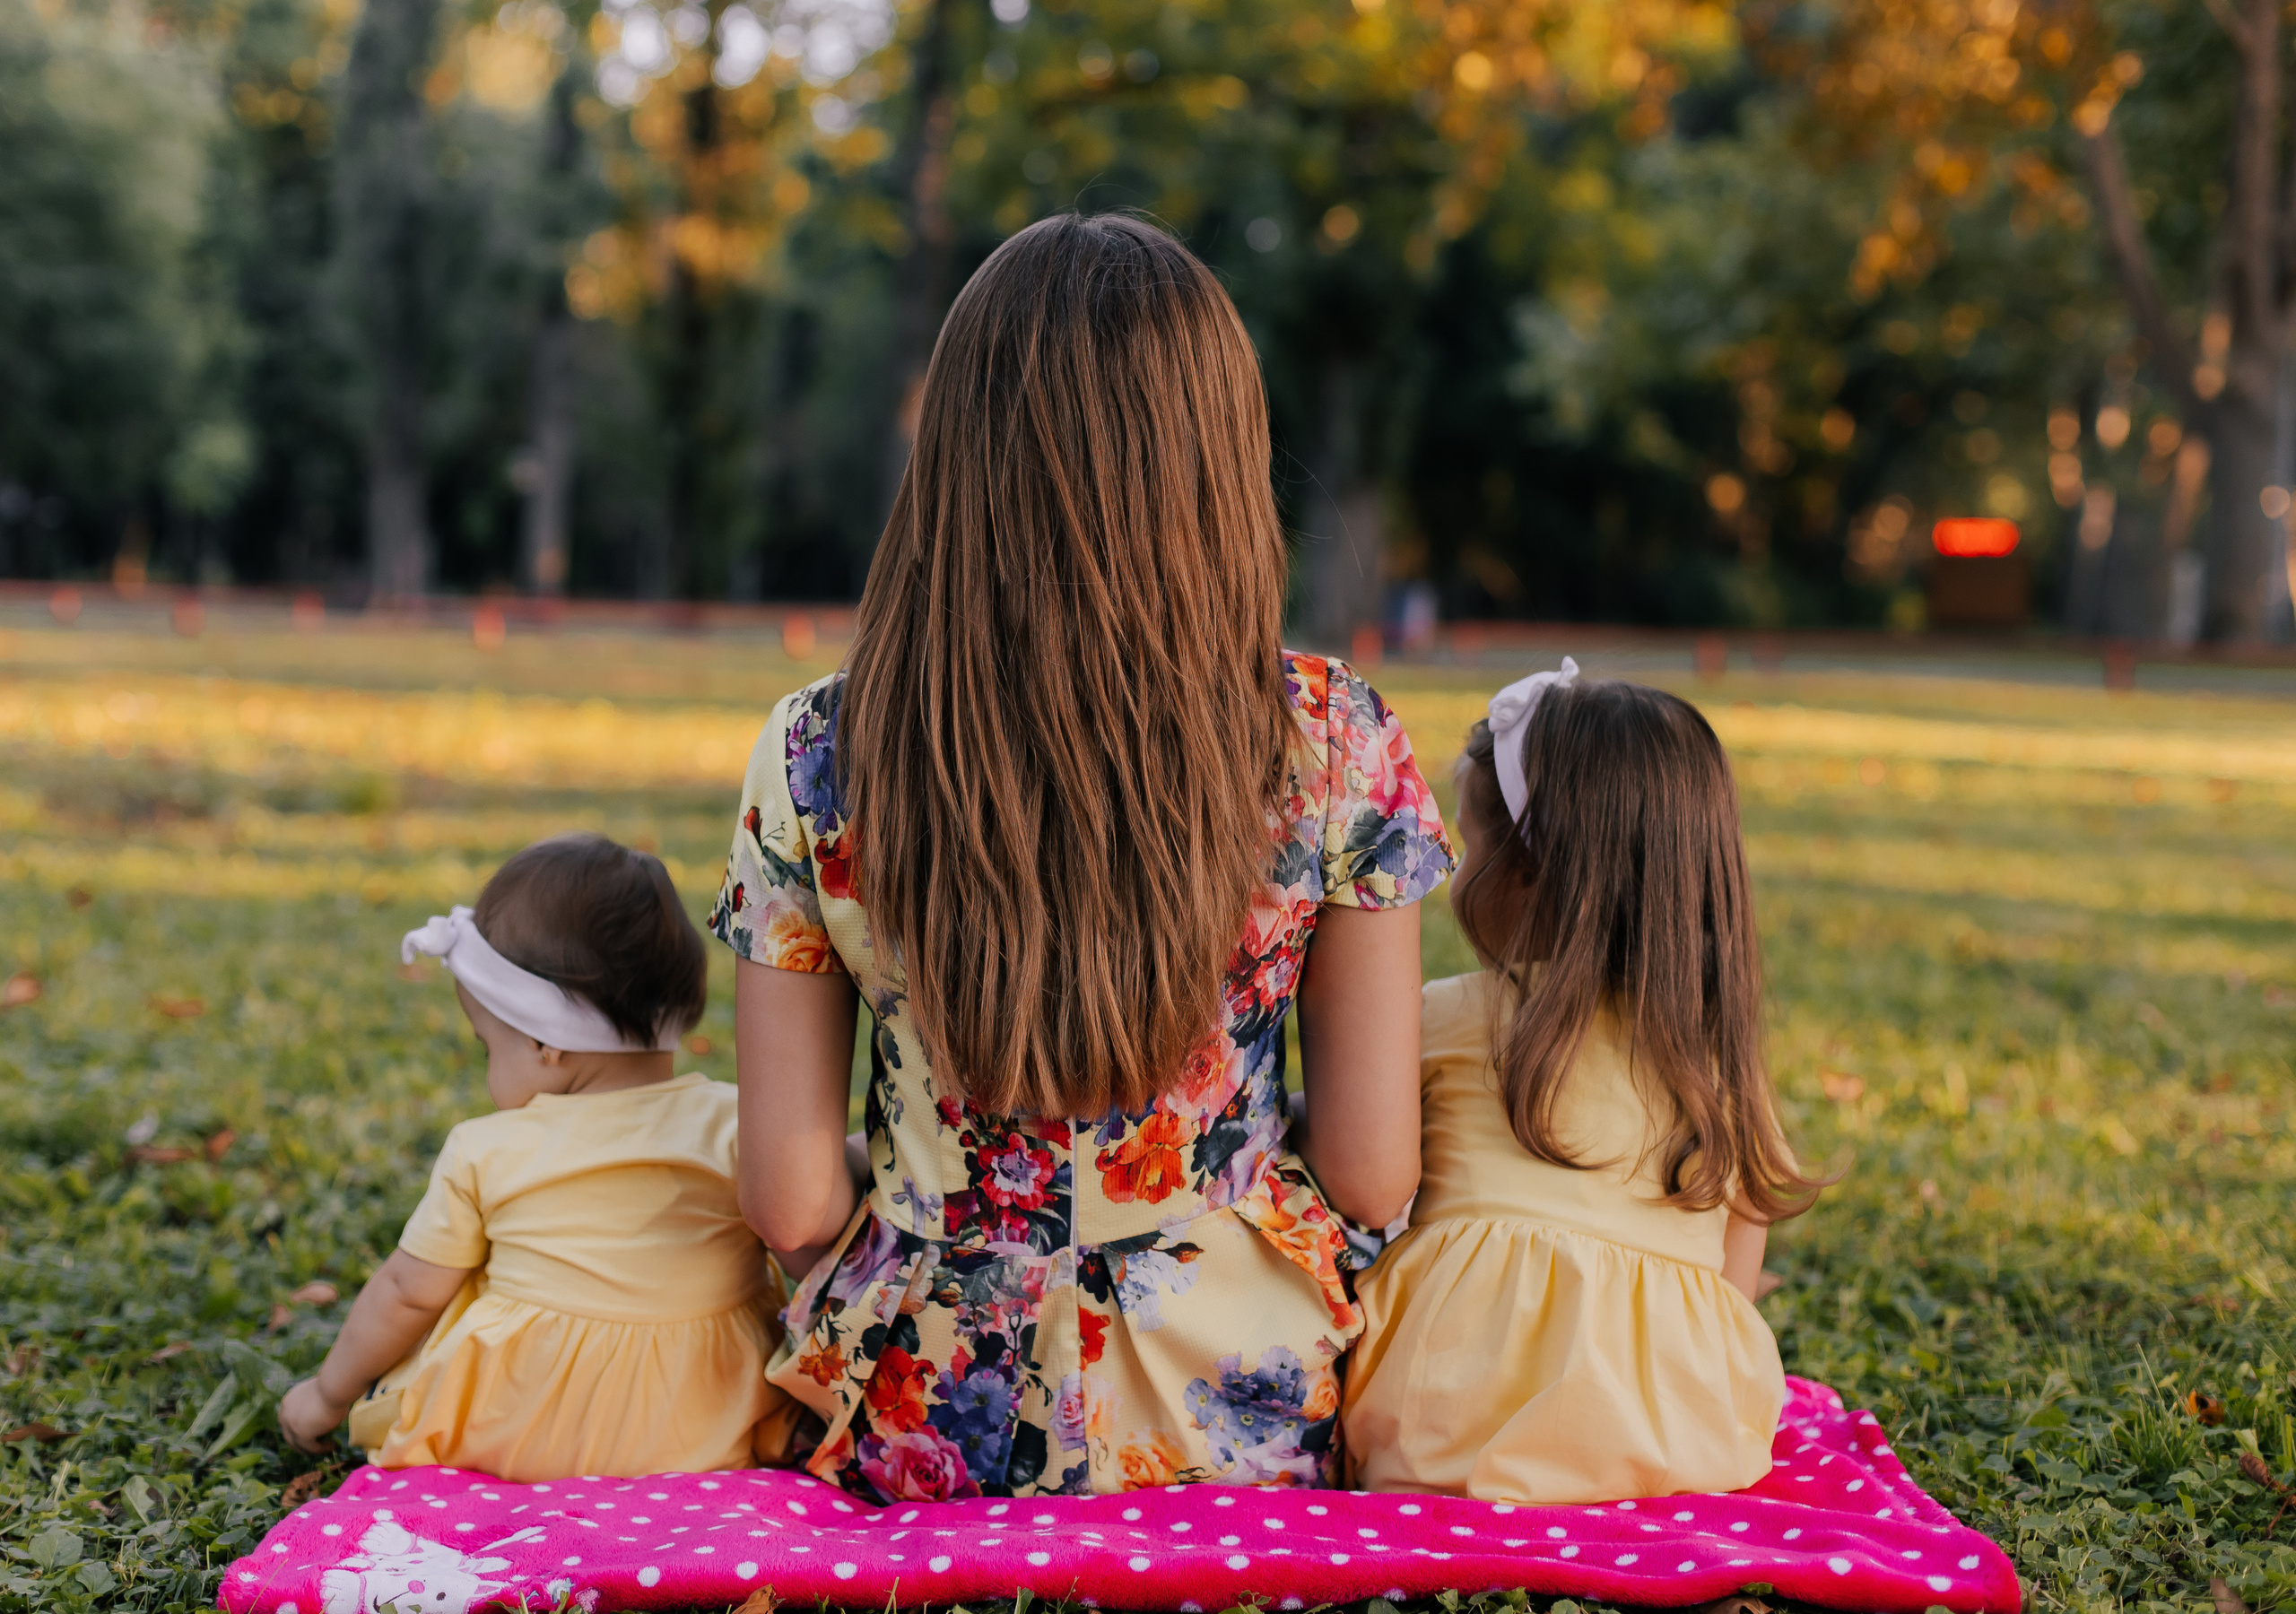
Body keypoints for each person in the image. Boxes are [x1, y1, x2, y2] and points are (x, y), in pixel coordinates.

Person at [710, 213, 1453, 1501]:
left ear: (956, 453)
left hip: (929, 1427)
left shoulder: (817, 748)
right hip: (1237, 1418)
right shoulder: (1336, 736)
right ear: (1218, 455)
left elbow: (790, 1204)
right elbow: (1372, 1172)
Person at [1340, 665, 1823, 1504]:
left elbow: (1354, 1152)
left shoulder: (1447, 1017)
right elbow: (1733, 1290)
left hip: (1446, 1443)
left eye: (1469, 846)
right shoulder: (1715, 1066)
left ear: (1527, 872)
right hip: (1684, 1450)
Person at [278, 833, 803, 1481]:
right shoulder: (737, 1124)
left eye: (488, 1046)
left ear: (543, 1043)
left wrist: (326, 1397)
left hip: (518, 1429)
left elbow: (407, 1293)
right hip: (707, 1429)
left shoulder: (487, 1150)